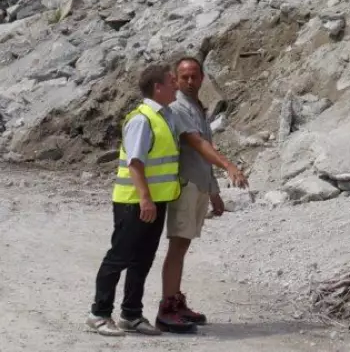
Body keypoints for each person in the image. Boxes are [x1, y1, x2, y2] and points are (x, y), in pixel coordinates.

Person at [86, 63, 189, 336]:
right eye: (171, 81)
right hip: (134, 201)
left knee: (142, 259)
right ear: (158, 87)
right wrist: (145, 199)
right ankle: (99, 313)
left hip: (155, 201)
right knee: (119, 257)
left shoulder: (165, 116)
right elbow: (135, 163)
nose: (176, 85)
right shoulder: (142, 119)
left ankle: (131, 314)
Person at [157, 55, 248, 332]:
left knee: (182, 246)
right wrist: (228, 166)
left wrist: (213, 191)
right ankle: (167, 309)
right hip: (185, 186)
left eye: (194, 75)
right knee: (177, 245)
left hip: (198, 184)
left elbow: (204, 146)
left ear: (202, 78)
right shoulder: (178, 109)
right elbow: (197, 144)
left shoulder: (196, 106)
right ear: (175, 78)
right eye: (183, 76)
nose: (189, 80)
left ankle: (176, 301)